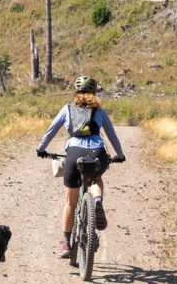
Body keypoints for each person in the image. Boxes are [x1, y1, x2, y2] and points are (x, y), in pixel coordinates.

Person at [36, 76, 126, 258]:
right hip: (97, 153)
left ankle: (66, 244)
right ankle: (98, 202)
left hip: (74, 153)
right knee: (96, 178)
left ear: (75, 92)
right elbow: (111, 133)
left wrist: (41, 149)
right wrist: (120, 154)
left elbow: (52, 129)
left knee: (70, 202)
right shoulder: (99, 111)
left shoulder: (67, 109)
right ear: (94, 93)